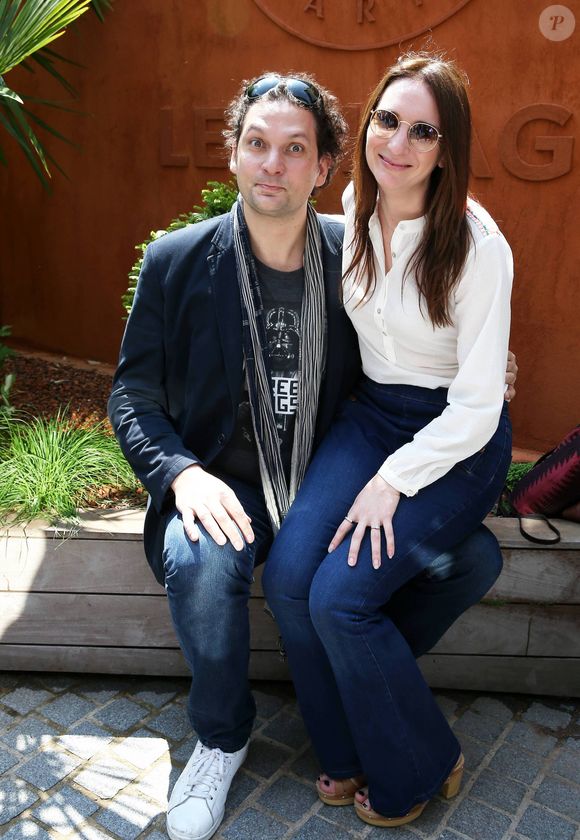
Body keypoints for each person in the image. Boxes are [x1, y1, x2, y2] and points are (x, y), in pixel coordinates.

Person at [108, 70, 516, 840]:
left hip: (351, 461)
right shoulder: (177, 261)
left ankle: (358, 704)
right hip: (226, 484)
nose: (273, 163)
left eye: (295, 149)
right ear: (232, 153)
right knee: (204, 562)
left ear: (324, 166)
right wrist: (180, 473)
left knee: (469, 563)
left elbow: (435, 368)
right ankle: (223, 741)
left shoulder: (351, 242)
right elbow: (131, 397)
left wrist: (483, 380)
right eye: (256, 144)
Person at [262, 53, 514, 829]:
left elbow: (475, 406)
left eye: (424, 131)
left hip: (454, 438)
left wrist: (393, 480)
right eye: (388, 120)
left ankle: (422, 760)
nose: (398, 142)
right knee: (288, 578)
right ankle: (343, 750)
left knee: (341, 600)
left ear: (448, 147)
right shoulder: (355, 206)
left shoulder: (477, 243)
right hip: (374, 416)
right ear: (368, 122)